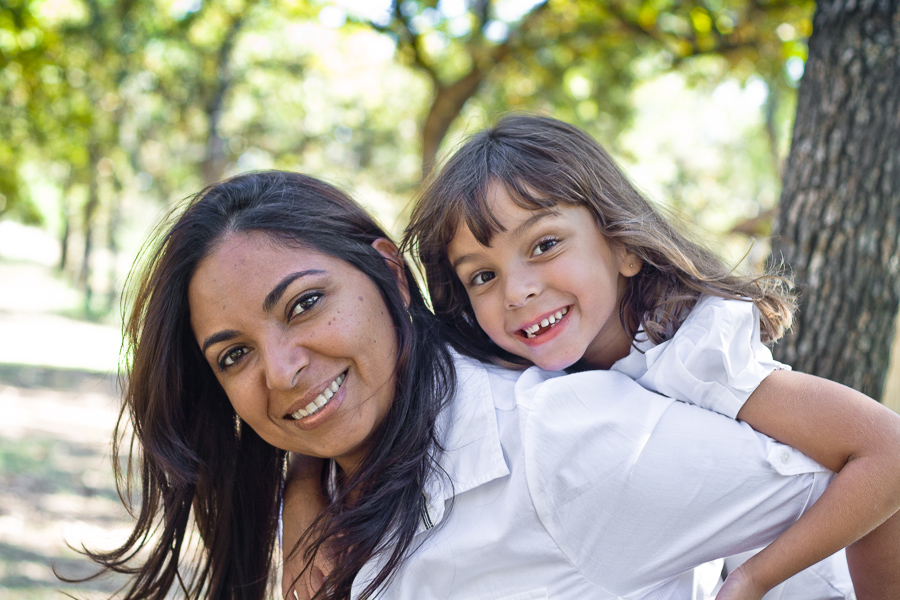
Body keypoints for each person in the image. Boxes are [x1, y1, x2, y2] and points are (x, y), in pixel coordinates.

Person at [82, 170, 900, 600]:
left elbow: (862, 476)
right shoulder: (328, 484)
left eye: (305, 304)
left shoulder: (562, 445)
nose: (282, 369)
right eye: (233, 356)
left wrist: (751, 584)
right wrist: (301, 487)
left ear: (391, 279)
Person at [402, 113, 900, 598]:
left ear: (624, 246)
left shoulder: (690, 352)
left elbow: (888, 452)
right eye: (482, 276)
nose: (517, 292)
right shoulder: (532, 395)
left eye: (545, 245)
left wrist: (753, 580)